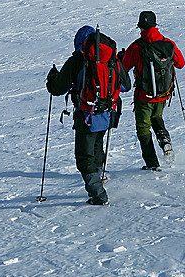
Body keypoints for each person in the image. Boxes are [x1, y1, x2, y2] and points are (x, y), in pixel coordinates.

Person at [46, 25, 128, 205]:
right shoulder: (111, 58)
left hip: (86, 115)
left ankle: (98, 195)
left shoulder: (77, 60)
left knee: (84, 158)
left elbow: (57, 88)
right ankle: (98, 179)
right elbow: (126, 85)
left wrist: (52, 78)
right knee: (97, 147)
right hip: (108, 113)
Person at [122, 10, 185, 171]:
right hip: (164, 94)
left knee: (143, 127)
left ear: (140, 27)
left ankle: (152, 164)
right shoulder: (167, 43)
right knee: (157, 116)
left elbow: (124, 67)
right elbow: (180, 63)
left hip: (144, 96)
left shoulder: (136, 46)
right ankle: (165, 142)